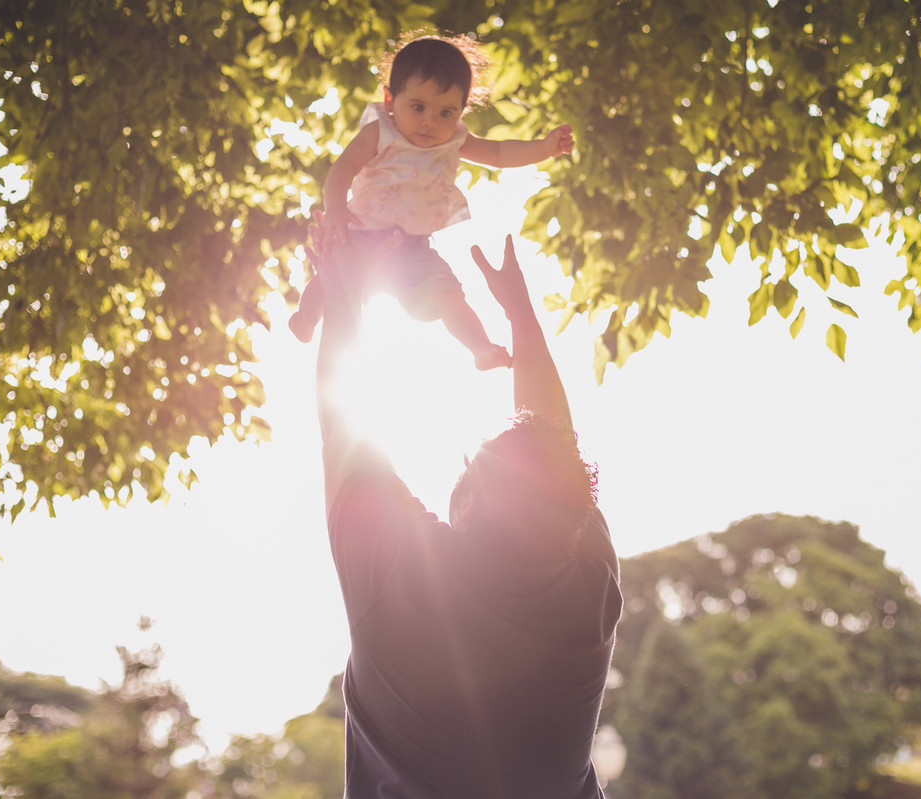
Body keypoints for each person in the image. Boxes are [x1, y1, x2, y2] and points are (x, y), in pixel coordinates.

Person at [313, 227, 623, 799]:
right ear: (575, 515)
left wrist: (345, 293)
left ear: (466, 502)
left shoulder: (400, 574)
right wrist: (521, 318)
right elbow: (553, 443)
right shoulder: (590, 591)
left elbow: (343, 423)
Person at [289, 33, 575, 371]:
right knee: (331, 276)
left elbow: (498, 152)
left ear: (460, 112)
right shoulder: (380, 131)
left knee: (449, 293)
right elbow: (343, 169)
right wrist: (336, 210)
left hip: (415, 249)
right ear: (390, 99)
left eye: (445, 112)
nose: (430, 121)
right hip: (360, 234)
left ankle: (481, 348)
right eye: (419, 107)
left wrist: (543, 148)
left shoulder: (454, 138)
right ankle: (307, 316)